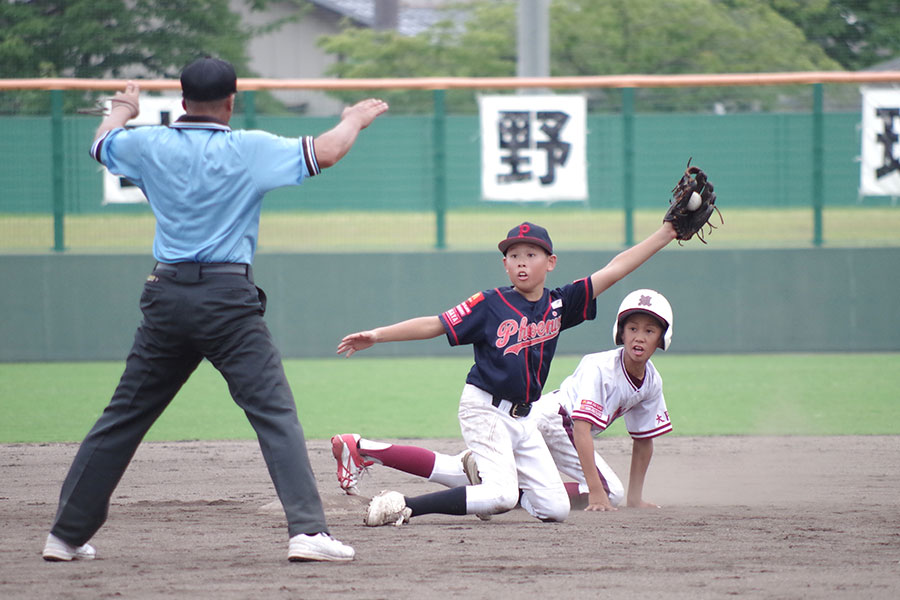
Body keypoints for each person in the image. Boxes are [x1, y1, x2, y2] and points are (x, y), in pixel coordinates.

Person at [41, 57, 388, 563]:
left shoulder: (147, 142)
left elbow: (100, 144)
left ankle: (65, 535)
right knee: (273, 413)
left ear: (182, 103)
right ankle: (308, 533)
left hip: (166, 296)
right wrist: (354, 117)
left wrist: (121, 110)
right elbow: (328, 151)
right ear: (232, 102)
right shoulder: (248, 147)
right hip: (227, 302)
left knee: (123, 417)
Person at [336, 220, 678, 527]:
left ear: (551, 262)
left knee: (556, 508)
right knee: (501, 496)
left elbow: (615, 269)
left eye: (531, 254)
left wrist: (667, 233)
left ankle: (465, 470)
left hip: (524, 420)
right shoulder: (489, 304)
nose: (522, 262)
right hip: (484, 408)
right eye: (514, 256)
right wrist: (378, 335)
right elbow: (435, 324)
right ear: (505, 265)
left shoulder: (559, 305)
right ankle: (403, 506)